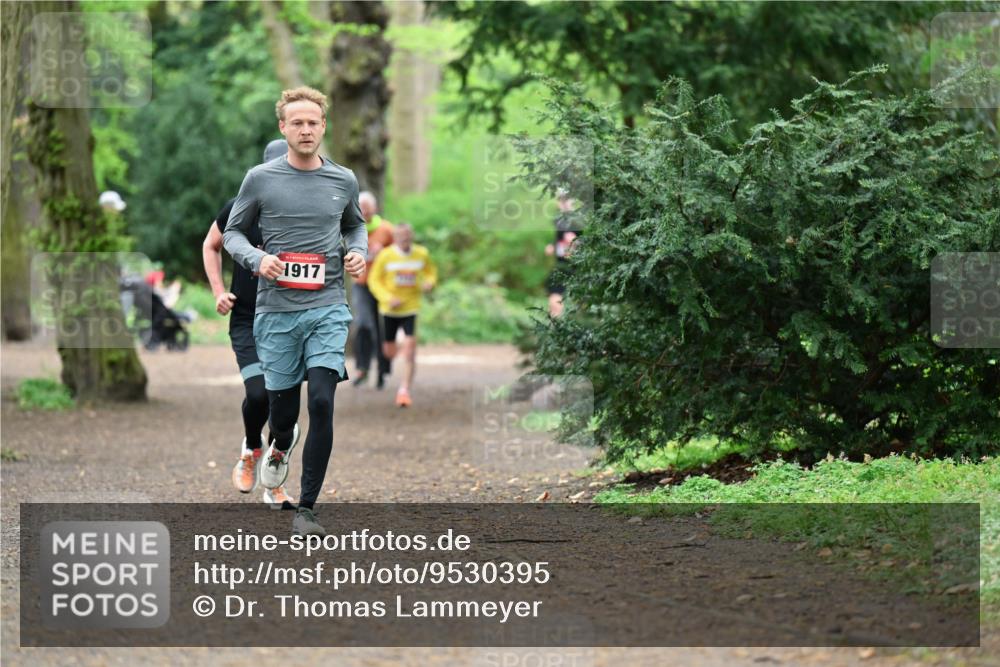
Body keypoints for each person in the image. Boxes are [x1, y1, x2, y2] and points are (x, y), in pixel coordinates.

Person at [223, 86, 367, 537]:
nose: (306, 130)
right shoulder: (261, 178)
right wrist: (256, 259)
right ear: (283, 128)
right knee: (282, 416)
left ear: (324, 127)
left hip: (326, 306)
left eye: (313, 122)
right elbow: (231, 234)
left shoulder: (343, 179)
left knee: (322, 401)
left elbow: (355, 224)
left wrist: (358, 253)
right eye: (297, 123)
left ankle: (306, 508)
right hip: (275, 313)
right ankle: (279, 445)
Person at [202, 138, 295, 509]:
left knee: (283, 406)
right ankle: (251, 447)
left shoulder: (307, 212)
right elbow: (211, 244)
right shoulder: (239, 209)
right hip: (247, 318)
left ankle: (275, 483)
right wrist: (218, 291)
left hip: (292, 319)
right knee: (258, 394)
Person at [367, 223, 437, 408]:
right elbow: (374, 280)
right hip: (389, 310)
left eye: (407, 236)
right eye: (401, 237)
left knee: (411, 350)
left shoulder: (421, 253)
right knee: (389, 352)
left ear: (411, 236)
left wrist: (429, 283)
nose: (404, 240)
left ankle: (404, 390)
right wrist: (387, 297)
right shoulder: (386, 255)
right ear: (395, 238)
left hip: (411, 307)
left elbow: (430, 272)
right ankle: (398, 343)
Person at [349, 191, 394, 389]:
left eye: (368, 209)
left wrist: (383, 253)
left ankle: (383, 371)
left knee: (383, 328)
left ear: (375, 209)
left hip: (384, 286)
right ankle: (362, 367)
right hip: (361, 284)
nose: (365, 213)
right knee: (364, 324)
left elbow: (398, 255)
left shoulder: (386, 229)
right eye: (362, 209)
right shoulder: (350, 228)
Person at [544, 192, 581, 317]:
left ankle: (561, 321)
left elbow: (578, 239)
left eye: (566, 200)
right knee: (555, 291)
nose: (563, 203)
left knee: (568, 294)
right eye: (561, 200)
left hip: (575, 266)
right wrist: (552, 246)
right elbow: (560, 239)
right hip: (561, 264)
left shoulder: (577, 219)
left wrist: (574, 244)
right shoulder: (559, 219)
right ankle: (555, 321)